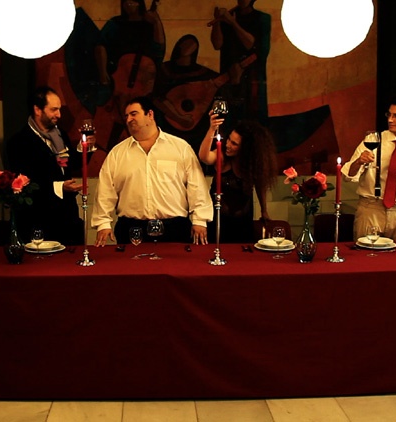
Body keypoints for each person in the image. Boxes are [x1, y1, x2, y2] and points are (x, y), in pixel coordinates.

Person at [91, 96, 213, 246]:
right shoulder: (117, 153)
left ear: (150, 114)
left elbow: (197, 186)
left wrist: (200, 220)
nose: (128, 119)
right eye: (126, 116)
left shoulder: (180, 148)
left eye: (133, 114)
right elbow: (105, 190)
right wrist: (103, 223)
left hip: (174, 228)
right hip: (131, 229)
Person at [4, 86, 90, 246]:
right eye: (54, 110)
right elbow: (26, 184)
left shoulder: (60, 135)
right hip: (40, 222)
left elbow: (71, 164)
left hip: (67, 219)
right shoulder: (18, 142)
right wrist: (60, 187)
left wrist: (85, 147)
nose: (59, 114)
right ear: (37, 110)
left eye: (59, 109)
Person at [342, 93, 396, 241]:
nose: (390, 119)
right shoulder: (372, 140)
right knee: (367, 253)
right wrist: (358, 162)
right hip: (371, 209)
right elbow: (347, 176)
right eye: (389, 114)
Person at [94, 0, 166, 151]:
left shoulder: (149, 23)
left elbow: (159, 48)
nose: (129, 5)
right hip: (119, 76)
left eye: (133, 1)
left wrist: (156, 22)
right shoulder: (115, 23)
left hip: (142, 78)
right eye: (126, 2)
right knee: (114, 110)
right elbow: (101, 45)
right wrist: (102, 72)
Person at [198, 112, 278, 242]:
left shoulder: (253, 163)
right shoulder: (222, 156)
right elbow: (204, 157)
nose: (228, 144)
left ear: (246, 148)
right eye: (229, 139)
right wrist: (212, 129)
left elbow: (260, 185)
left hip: (243, 220)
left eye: (234, 144)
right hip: (218, 219)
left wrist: (264, 210)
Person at [209, 0, 271, 124]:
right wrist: (218, 21)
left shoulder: (261, 18)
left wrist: (233, 22)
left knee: (251, 117)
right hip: (228, 76)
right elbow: (217, 44)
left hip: (251, 75)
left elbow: (251, 45)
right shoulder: (229, 15)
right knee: (228, 116)